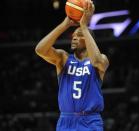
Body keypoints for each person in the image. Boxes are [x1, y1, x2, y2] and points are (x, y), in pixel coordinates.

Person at [35, 0, 109, 130]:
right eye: (73, 35)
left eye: (79, 35)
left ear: (88, 40)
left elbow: (96, 61)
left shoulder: (101, 59)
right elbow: (40, 50)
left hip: (90, 120)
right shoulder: (63, 59)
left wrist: (84, 27)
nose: (74, 37)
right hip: (65, 120)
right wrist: (65, 24)